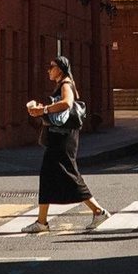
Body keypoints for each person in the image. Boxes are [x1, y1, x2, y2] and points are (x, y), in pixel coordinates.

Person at [24, 56, 107, 230]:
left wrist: (44, 109)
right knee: (48, 175)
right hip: (61, 137)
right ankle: (41, 221)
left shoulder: (66, 84)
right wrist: (42, 110)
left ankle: (98, 211)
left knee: (69, 175)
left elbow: (67, 103)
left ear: (60, 69)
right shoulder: (63, 84)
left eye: (51, 67)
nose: (49, 70)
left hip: (63, 138)